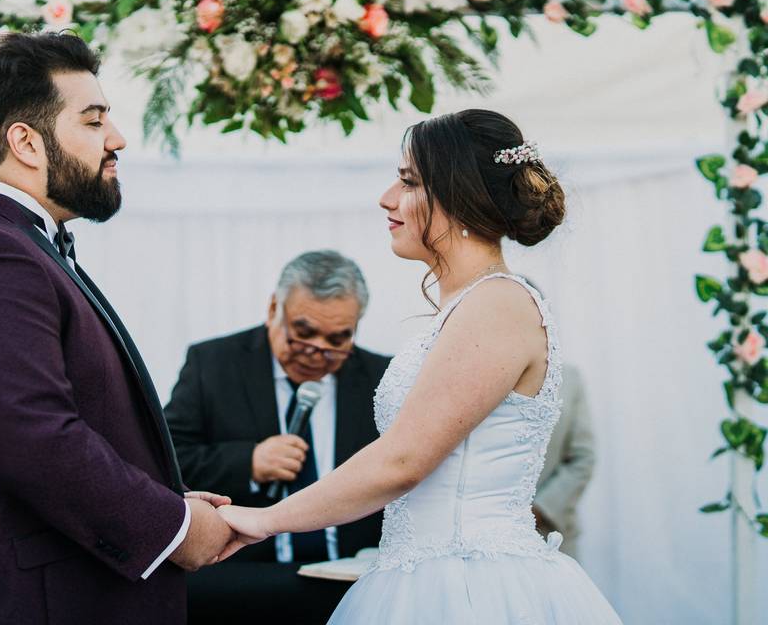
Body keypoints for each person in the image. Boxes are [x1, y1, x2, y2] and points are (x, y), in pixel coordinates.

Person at [217, 110, 623, 623]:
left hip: (471, 590)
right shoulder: (465, 308)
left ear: (459, 198)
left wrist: (265, 520)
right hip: (419, 571)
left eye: (408, 181)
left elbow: (402, 461)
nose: (387, 197)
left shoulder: (497, 304)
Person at [0, 32, 232, 625]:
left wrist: (164, 500)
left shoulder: (20, 246)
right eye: (94, 120)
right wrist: (175, 529)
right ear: (26, 142)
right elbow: (34, 440)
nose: (118, 140)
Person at [165, 251, 389, 623]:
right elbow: (166, 459)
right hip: (243, 576)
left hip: (354, 575)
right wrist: (248, 461)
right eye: (303, 333)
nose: (317, 352)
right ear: (273, 309)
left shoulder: (384, 377)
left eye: (337, 339)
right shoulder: (213, 363)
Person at [534, 363, 595, 558]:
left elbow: (583, 457)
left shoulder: (569, 377)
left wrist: (540, 509)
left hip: (549, 534)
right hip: (485, 535)